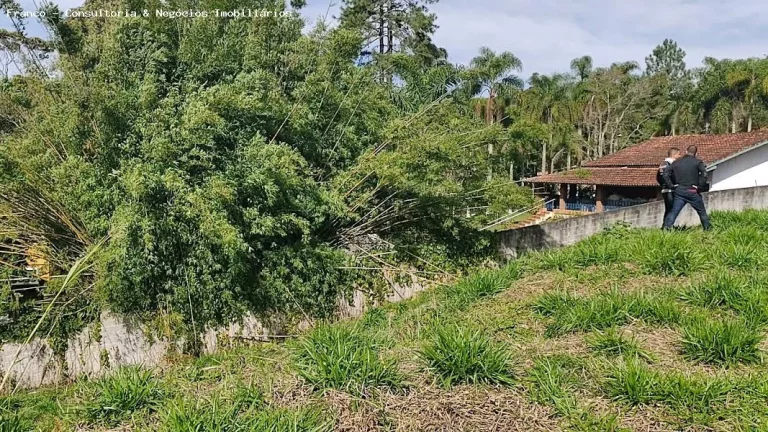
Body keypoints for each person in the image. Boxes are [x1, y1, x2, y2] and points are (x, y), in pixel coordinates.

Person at [662, 145, 711, 230]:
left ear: (686, 151)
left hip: (679, 191)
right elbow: (704, 174)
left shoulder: (676, 162)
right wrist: (699, 186)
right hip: (692, 190)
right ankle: (708, 230)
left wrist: (671, 186)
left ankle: (666, 229)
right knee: (702, 212)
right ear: (696, 153)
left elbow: (665, 174)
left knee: (674, 212)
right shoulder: (698, 162)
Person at [657, 147, 680, 226]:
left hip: (665, 189)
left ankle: (666, 226)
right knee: (671, 209)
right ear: (674, 155)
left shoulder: (663, 164)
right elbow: (666, 177)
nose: (679, 156)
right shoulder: (670, 164)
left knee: (668, 209)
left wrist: (663, 185)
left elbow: (658, 177)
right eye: (678, 154)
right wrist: (672, 186)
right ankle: (667, 226)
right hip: (669, 190)